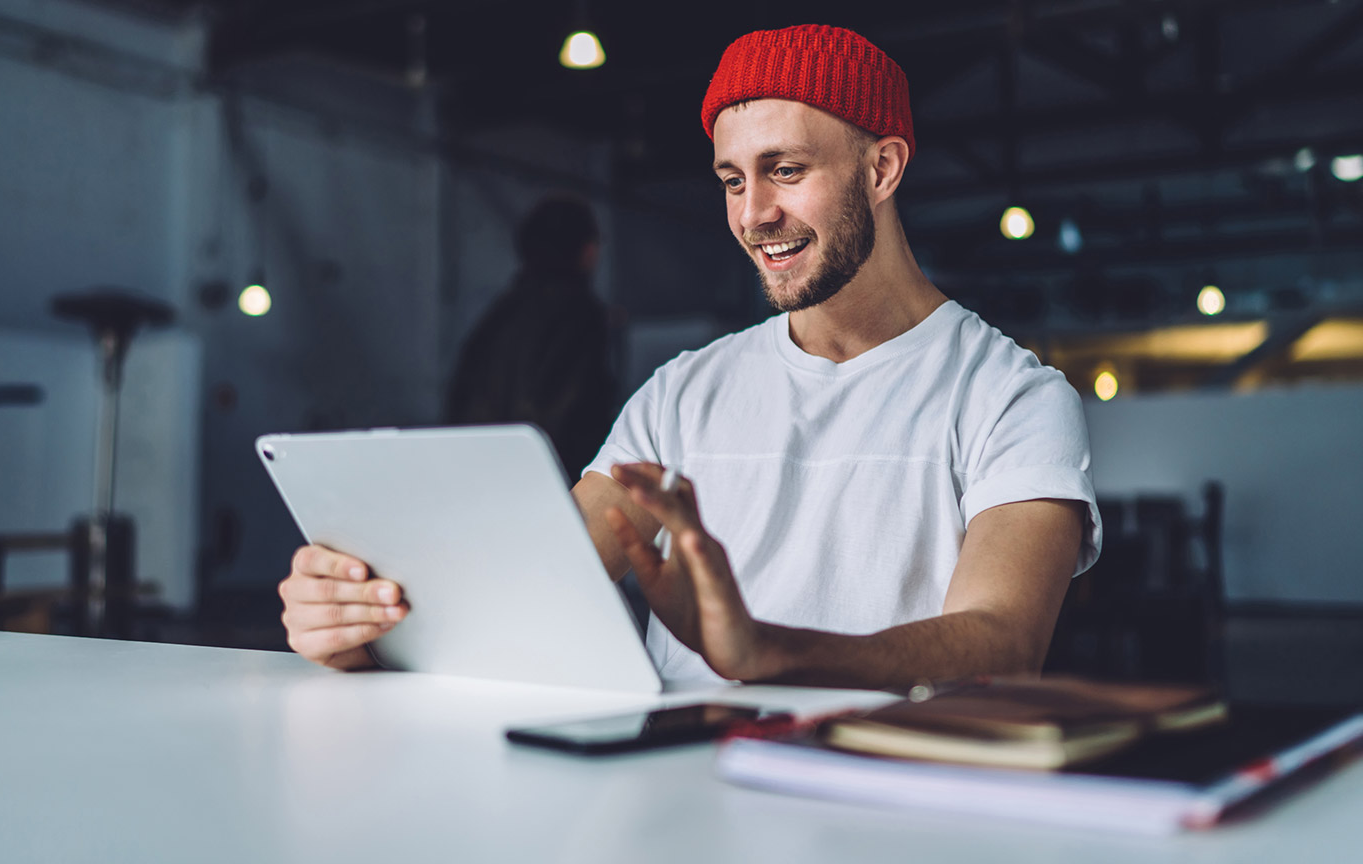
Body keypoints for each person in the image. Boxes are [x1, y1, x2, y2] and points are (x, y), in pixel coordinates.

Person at [279, 24, 1102, 689]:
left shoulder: (1010, 398)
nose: (755, 215)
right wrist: (365, 625)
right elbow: (529, 592)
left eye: (785, 170)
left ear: (882, 167)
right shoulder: (682, 393)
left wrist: (777, 654)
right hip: (673, 799)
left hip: (878, 799)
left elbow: (1003, 645)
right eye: (732, 180)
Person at [443, 195, 616, 483]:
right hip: (542, 484)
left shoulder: (501, 311)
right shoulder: (580, 313)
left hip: (477, 477)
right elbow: (574, 415)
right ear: (586, 251)